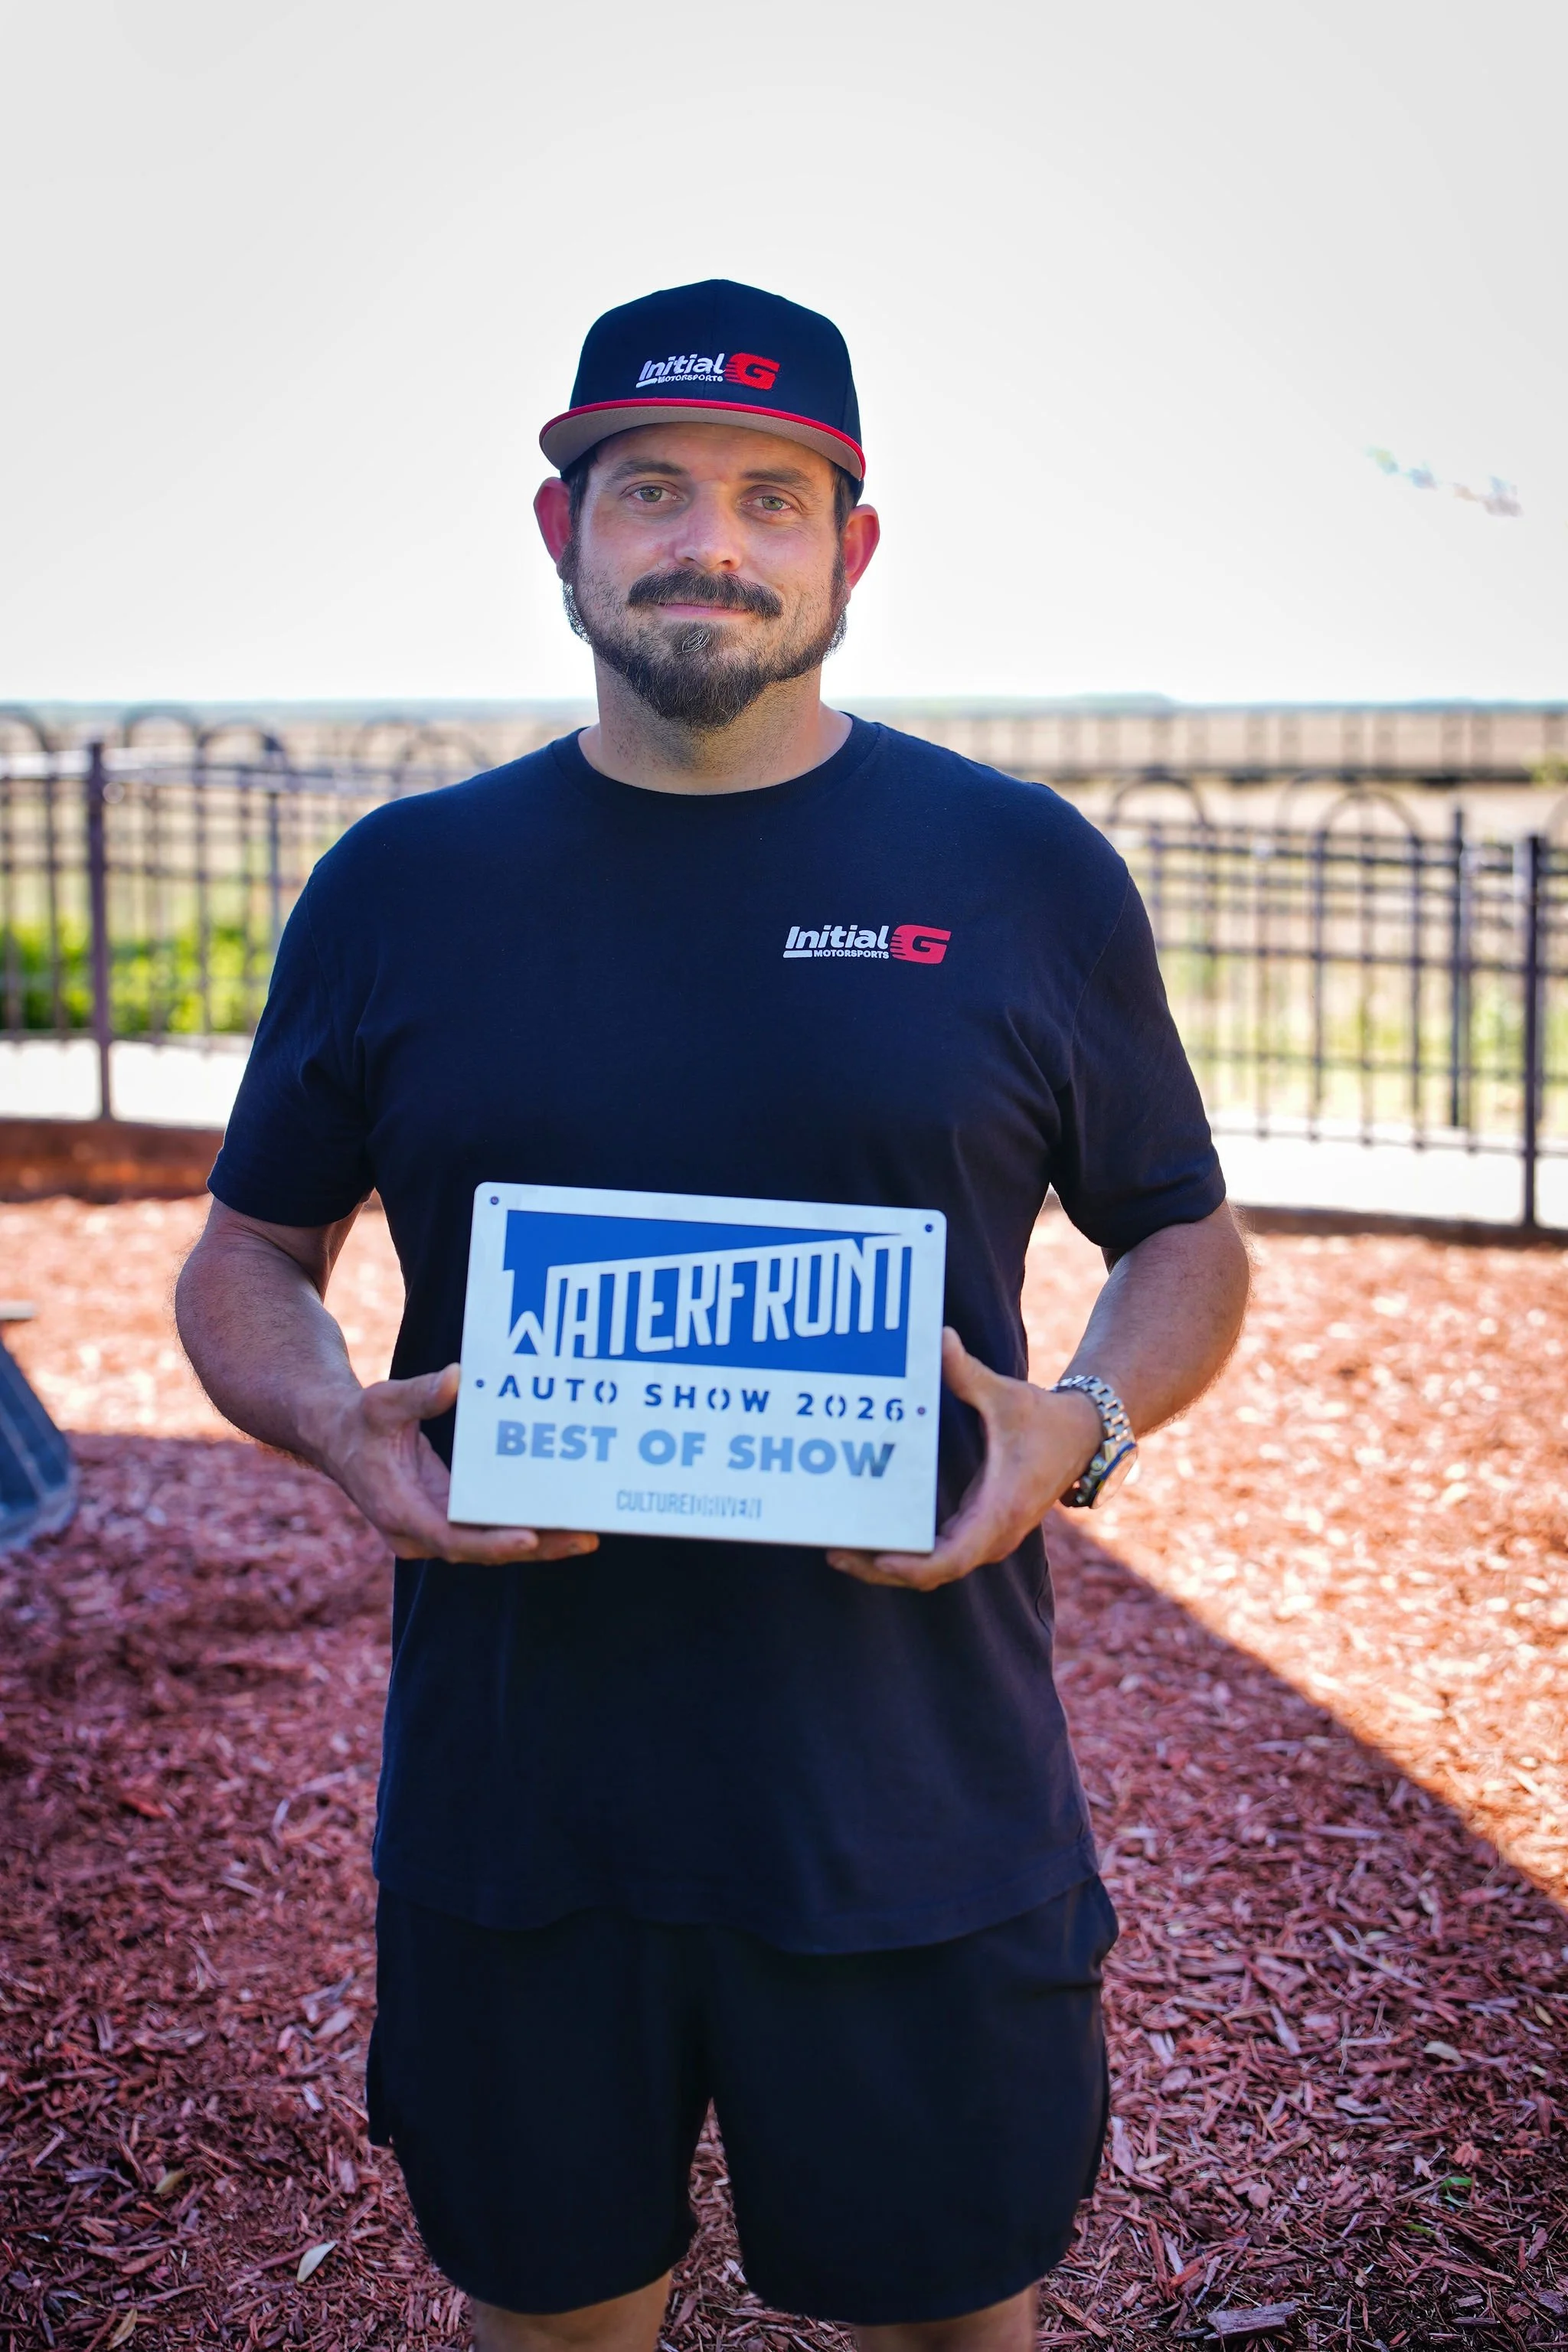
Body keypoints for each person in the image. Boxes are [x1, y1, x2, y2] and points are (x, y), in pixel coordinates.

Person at [176, 279, 1250, 2352]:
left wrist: (1085, 1424)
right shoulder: (405, 884)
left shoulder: (1018, 869)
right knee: (548, 2318)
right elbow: (247, 1255)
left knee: (946, 2322)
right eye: (651, 486)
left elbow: (1184, 1239)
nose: (710, 540)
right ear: (563, 532)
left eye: (774, 495)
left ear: (850, 548)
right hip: (519, 1817)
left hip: (915, 1807)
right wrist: (327, 1419)